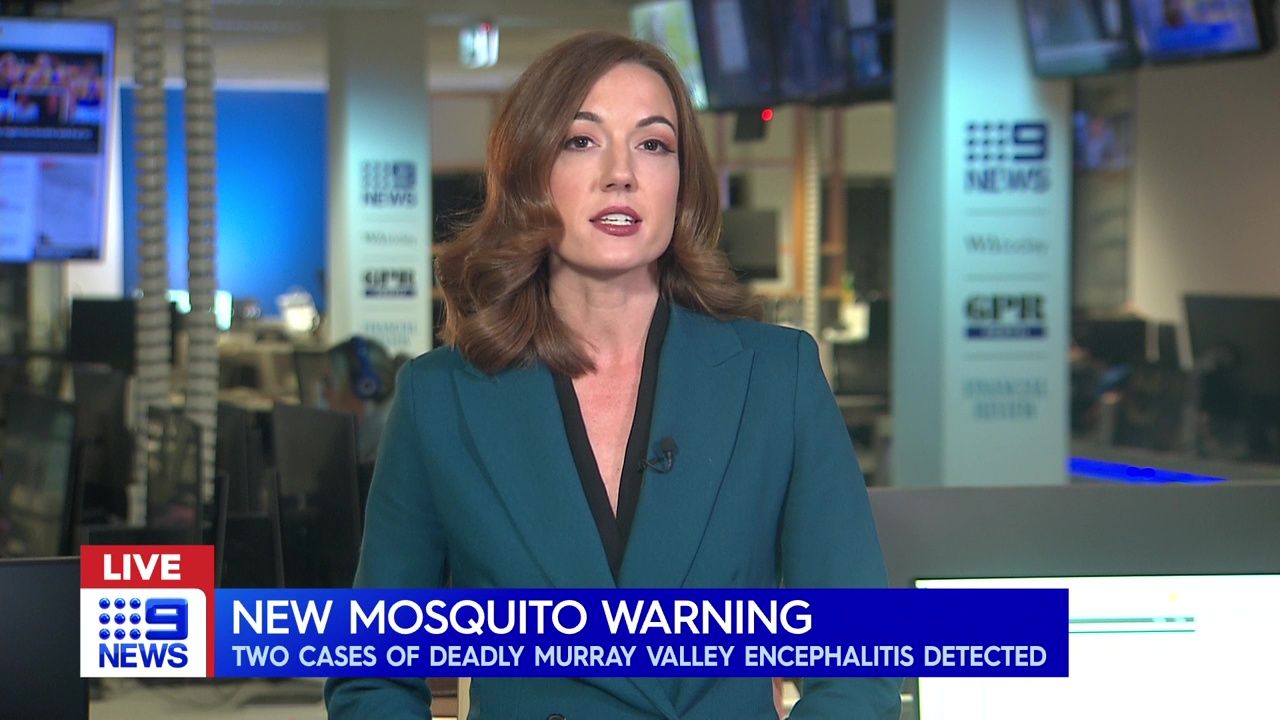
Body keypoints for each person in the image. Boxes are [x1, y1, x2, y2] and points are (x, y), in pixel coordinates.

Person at [324, 31, 899, 719]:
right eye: (581, 140)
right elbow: (373, 677)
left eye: (653, 144)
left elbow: (858, 663)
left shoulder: (779, 379)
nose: (620, 173)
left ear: (681, 183)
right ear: (532, 174)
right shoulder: (441, 398)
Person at [323, 335, 395, 465]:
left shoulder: (384, 446)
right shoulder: (362, 437)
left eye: (329, 383)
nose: (324, 393)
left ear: (364, 387)